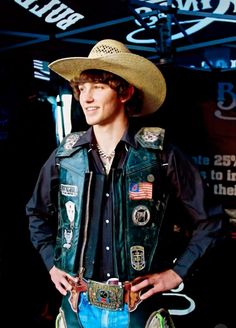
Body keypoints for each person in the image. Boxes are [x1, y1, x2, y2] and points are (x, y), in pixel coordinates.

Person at [26, 39, 223, 328]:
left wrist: (176, 273)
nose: (86, 97)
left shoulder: (161, 154)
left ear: (125, 92)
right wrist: (52, 264)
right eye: (82, 88)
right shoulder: (65, 155)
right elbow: (36, 213)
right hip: (77, 308)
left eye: (98, 87)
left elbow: (212, 221)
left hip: (138, 310)